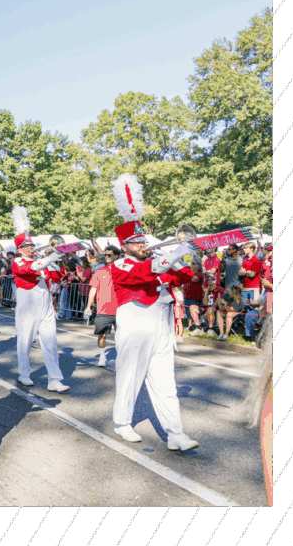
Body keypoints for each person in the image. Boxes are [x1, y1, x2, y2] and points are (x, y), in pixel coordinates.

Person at [107, 173, 198, 451]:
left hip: (162, 322)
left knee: (165, 381)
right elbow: (145, 274)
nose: (142, 246)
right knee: (130, 374)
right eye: (136, 243)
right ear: (125, 246)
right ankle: (122, 422)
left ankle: (175, 434)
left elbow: (187, 275)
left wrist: (174, 252)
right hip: (135, 319)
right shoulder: (120, 264)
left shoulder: (156, 257)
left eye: (143, 241)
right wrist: (168, 256)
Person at [9, 206, 69, 392]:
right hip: (28, 308)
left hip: (46, 307)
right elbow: (31, 268)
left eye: (31, 245)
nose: (30, 248)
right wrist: (51, 257)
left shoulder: (41, 260)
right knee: (25, 341)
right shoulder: (18, 261)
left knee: (50, 343)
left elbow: (58, 277)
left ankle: (55, 379)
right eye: (26, 246)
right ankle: (24, 374)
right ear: (19, 250)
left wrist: (57, 260)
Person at [84, 245, 120, 368]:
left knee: (122, 335)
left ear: (116, 256)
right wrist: (88, 306)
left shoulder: (122, 270)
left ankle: (122, 356)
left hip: (121, 308)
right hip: (104, 308)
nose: (106, 257)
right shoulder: (100, 271)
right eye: (105, 255)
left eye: (109, 255)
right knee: (102, 334)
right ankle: (102, 356)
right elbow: (93, 290)